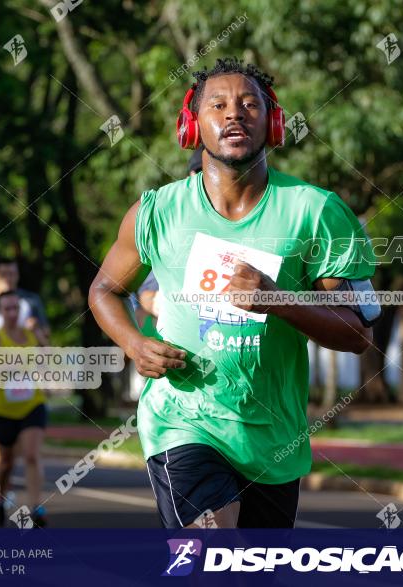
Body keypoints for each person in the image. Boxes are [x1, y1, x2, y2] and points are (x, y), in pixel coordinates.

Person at [89, 57, 379, 529]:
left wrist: (276, 298)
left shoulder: (316, 211)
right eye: (218, 105)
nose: (234, 115)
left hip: (273, 438)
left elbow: (357, 333)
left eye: (249, 105)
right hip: (182, 422)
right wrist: (133, 344)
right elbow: (104, 289)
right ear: (191, 124)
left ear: (274, 122)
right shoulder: (156, 211)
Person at [0, 290, 49, 528]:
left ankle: (36, 508)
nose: (12, 313)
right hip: (2, 410)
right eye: (7, 309)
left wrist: (39, 333)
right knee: (6, 463)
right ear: (0, 312)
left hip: (32, 404)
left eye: (15, 308)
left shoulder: (32, 334)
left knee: (31, 455)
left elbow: (48, 355)